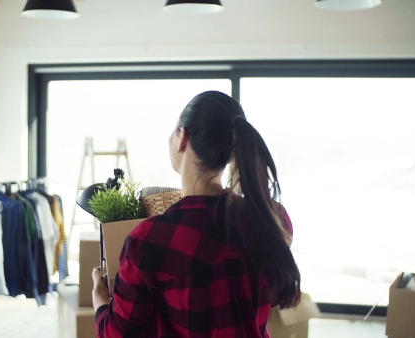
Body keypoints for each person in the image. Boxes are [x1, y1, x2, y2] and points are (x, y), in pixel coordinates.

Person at [92, 91, 301, 337]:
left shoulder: (149, 241)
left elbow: (117, 334)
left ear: (183, 137)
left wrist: (100, 301)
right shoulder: (272, 220)